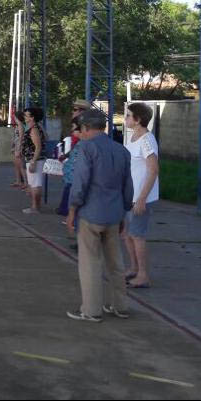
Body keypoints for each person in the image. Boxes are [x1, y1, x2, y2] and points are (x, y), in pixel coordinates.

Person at [66, 109, 134, 322]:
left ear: (86, 128)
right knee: (116, 263)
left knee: (90, 263)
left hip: (91, 213)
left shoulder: (86, 148)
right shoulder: (121, 150)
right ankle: (120, 305)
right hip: (115, 213)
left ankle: (91, 310)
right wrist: (124, 212)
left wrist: (72, 210)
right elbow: (128, 186)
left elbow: (80, 183)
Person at [123, 102, 160, 289]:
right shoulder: (133, 137)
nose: (125, 119)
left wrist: (142, 199)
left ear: (138, 120)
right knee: (127, 234)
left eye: (128, 116)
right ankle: (134, 268)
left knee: (137, 235)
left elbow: (153, 170)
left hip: (140, 197)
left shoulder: (146, 140)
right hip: (130, 195)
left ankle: (143, 275)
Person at [21, 107, 47, 214]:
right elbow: (46, 138)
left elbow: (38, 147)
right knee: (34, 183)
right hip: (35, 159)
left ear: (32, 117)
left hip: (34, 159)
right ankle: (35, 206)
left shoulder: (34, 129)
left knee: (35, 184)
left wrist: (33, 161)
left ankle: (35, 207)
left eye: (26, 115)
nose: (24, 117)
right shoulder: (37, 127)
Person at [57, 120, 83, 218]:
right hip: (70, 175)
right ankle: (65, 210)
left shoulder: (84, 144)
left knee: (71, 194)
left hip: (73, 176)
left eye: (73, 127)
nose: (72, 130)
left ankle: (68, 213)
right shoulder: (79, 143)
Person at [11, 110, 27, 189]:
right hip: (16, 146)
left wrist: (19, 149)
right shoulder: (18, 125)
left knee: (21, 166)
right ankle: (18, 181)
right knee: (16, 165)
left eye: (15, 117)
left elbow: (21, 138)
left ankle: (25, 183)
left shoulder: (21, 125)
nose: (14, 118)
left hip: (19, 147)